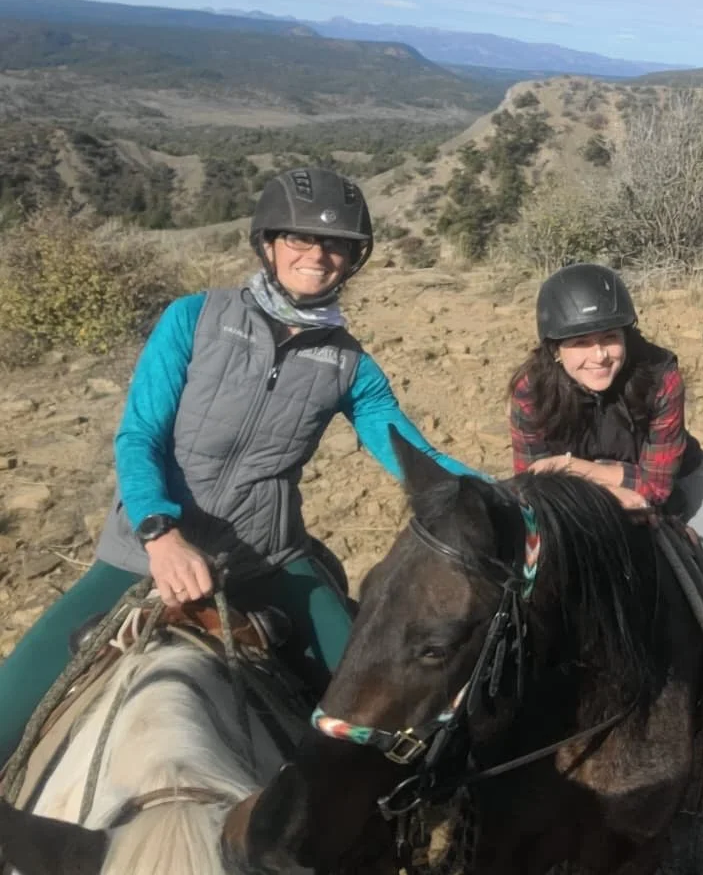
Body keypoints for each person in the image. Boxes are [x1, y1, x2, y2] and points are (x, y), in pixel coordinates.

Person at [0, 167, 483, 771]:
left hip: (266, 558)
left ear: (352, 259)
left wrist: (512, 494)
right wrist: (160, 534)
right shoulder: (194, 319)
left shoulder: (349, 366)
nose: (317, 255)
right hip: (140, 551)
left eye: (335, 244)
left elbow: (416, 456)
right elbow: (139, 435)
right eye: (299, 239)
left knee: (372, 716)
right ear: (267, 244)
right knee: (8, 707)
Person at [507, 262, 703, 692]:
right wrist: (607, 488)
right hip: (576, 502)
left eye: (610, 338)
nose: (600, 355)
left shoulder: (660, 375)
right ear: (554, 348)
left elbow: (657, 487)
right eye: (581, 342)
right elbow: (534, 486)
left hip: (676, 483)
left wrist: (577, 469)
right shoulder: (530, 392)